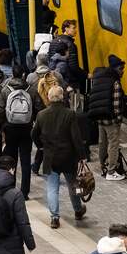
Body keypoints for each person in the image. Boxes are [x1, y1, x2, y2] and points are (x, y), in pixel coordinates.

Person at [32, 85, 87, 229]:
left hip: (50, 157)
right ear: (62, 97)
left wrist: (41, 146)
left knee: (52, 188)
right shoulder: (69, 114)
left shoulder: (42, 115)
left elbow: (34, 134)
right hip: (68, 156)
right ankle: (77, 210)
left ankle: (54, 217)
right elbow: (76, 137)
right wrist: (82, 155)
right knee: (72, 185)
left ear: (49, 98)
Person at [0, 63, 36, 199]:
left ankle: (10, 187)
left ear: (12, 74)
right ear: (23, 75)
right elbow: (36, 107)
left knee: (10, 159)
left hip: (10, 128)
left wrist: (4, 125)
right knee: (25, 160)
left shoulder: (5, 89)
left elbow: (0, 109)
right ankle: (25, 192)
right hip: (26, 128)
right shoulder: (30, 89)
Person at [87, 54, 126, 181]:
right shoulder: (115, 82)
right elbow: (116, 104)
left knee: (102, 142)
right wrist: (118, 119)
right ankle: (111, 171)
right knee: (113, 144)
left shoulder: (100, 78)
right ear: (116, 69)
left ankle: (103, 166)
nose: (122, 72)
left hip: (100, 116)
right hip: (110, 119)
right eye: (121, 69)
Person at [48, 19, 85, 92]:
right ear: (66, 29)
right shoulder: (70, 44)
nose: (76, 30)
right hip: (69, 81)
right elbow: (73, 66)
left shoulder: (53, 42)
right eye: (73, 28)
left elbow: (50, 60)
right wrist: (85, 75)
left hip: (55, 80)